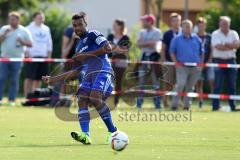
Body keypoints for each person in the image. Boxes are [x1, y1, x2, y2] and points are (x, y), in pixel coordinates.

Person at [42, 12, 127, 144]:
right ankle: (85, 135)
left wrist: (86, 54)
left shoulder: (94, 34)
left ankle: (113, 131)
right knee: (81, 99)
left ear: (85, 24)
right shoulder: (78, 46)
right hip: (89, 77)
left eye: (80, 24)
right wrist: (53, 79)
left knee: (94, 98)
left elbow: (108, 48)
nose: (77, 28)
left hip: (103, 72)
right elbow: (76, 71)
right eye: (74, 25)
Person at [170, 20, 204, 111]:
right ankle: (174, 105)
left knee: (190, 87)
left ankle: (186, 106)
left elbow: (202, 52)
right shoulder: (177, 39)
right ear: (182, 27)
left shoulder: (197, 39)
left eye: (190, 26)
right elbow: (172, 52)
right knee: (180, 85)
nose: (188, 28)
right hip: (182, 66)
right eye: (186, 26)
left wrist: (200, 64)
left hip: (195, 67)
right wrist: (176, 63)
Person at [0, 11, 32, 106]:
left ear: (18, 20)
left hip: (17, 59)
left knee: (14, 80)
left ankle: (11, 100)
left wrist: (22, 41)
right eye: (10, 19)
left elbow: (30, 44)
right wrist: (5, 34)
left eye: (13, 19)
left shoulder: (24, 30)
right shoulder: (4, 29)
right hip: (4, 58)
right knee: (1, 78)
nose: (11, 21)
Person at [211, 16, 240, 111]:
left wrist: (225, 44)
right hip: (219, 61)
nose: (225, 25)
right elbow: (218, 46)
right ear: (219, 24)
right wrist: (231, 46)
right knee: (218, 84)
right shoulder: (215, 33)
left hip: (231, 61)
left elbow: (237, 45)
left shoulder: (234, 33)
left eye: (227, 24)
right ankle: (215, 106)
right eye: (223, 23)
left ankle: (233, 106)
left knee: (232, 84)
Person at [24, 11, 53, 97]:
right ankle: (27, 97)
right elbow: (25, 41)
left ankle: (34, 97)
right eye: (40, 18)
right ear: (34, 18)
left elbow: (49, 43)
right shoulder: (28, 28)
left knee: (38, 79)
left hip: (43, 57)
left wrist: (49, 56)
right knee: (29, 78)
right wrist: (26, 51)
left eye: (42, 18)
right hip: (32, 56)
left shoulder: (46, 29)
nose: (42, 19)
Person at [136, 14, 162, 109]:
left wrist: (144, 43)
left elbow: (156, 45)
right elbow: (138, 44)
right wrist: (150, 43)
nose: (143, 23)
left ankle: (157, 104)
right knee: (141, 82)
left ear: (150, 22)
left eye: (144, 21)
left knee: (156, 82)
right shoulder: (141, 32)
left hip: (154, 59)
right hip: (143, 59)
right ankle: (139, 103)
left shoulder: (157, 32)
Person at [107, 19, 130, 107]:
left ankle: (116, 102)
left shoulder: (126, 38)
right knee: (108, 79)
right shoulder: (110, 36)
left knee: (118, 82)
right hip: (110, 61)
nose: (113, 26)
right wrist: (119, 48)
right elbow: (107, 47)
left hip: (122, 62)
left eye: (115, 24)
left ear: (120, 26)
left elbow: (125, 50)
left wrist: (114, 47)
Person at [161, 12, 182, 107]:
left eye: (177, 20)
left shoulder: (183, 32)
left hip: (181, 63)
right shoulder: (167, 34)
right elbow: (163, 48)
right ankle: (165, 101)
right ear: (171, 22)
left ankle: (179, 101)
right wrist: (163, 60)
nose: (176, 22)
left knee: (180, 83)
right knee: (168, 83)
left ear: (180, 21)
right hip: (169, 62)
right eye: (174, 20)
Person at [195, 17, 213, 108]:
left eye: (203, 24)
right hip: (198, 63)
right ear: (197, 26)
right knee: (199, 82)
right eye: (199, 24)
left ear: (205, 25)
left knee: (212, 80)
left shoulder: (209, 36)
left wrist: (209, 61)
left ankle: (214, 100)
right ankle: (200, 101)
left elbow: (212, 49)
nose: (201, 26)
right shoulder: (194, 36)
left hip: (208, 63)